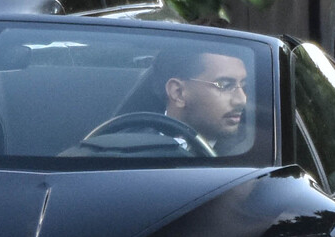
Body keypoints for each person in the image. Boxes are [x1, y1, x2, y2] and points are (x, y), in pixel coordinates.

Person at [65, 48, 251, 157]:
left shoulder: (255, 153)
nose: (242, 100)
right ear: (178, 92)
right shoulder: (117, 150)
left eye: (243, 86)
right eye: (225, 85)